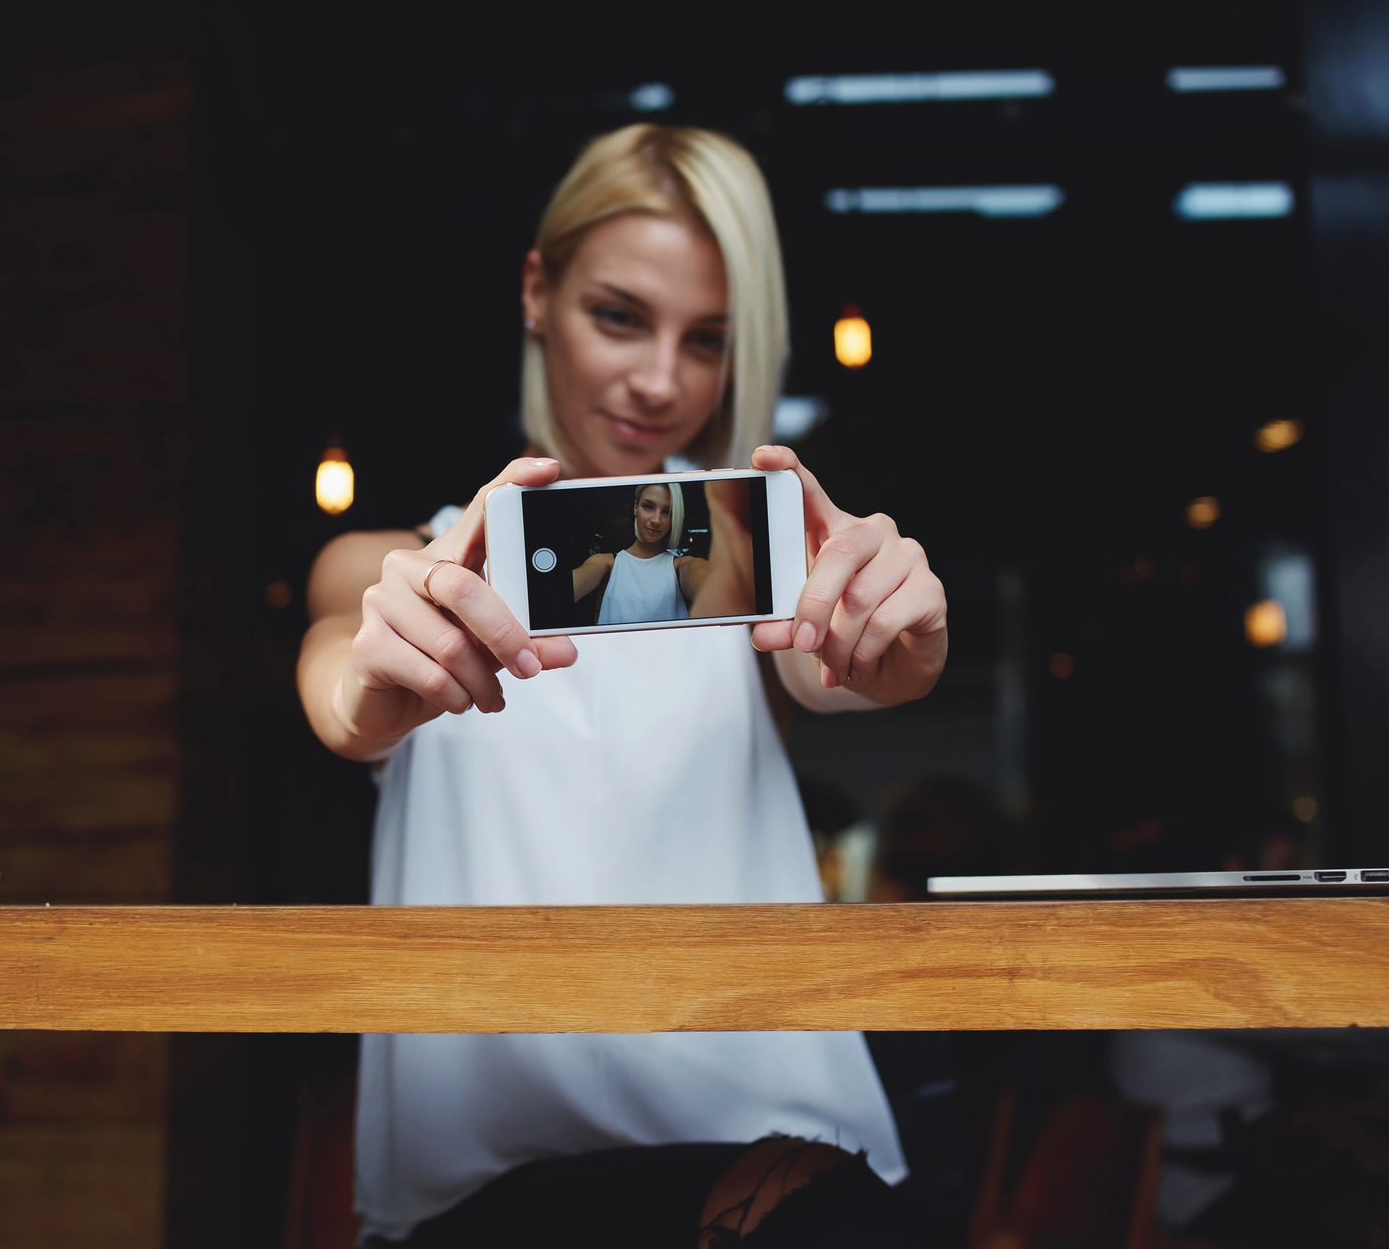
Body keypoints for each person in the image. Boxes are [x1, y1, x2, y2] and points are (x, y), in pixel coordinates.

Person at [298, 124, 949, 1246]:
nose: (660, 379)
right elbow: (339, 682)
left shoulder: (755, 570)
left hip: (764, 1164)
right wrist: (369, 695)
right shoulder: (392, 569)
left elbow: (833, 662)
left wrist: (893, 650)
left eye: (707, 340)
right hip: (483, 1192)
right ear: (535, 291)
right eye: (618, 315)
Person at [575, 481, 752, 624]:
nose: (656, 520)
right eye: (648, 506)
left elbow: (708, 581)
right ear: (636, 507)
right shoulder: (606, 563)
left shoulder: (681, 566)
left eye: (667, 512)